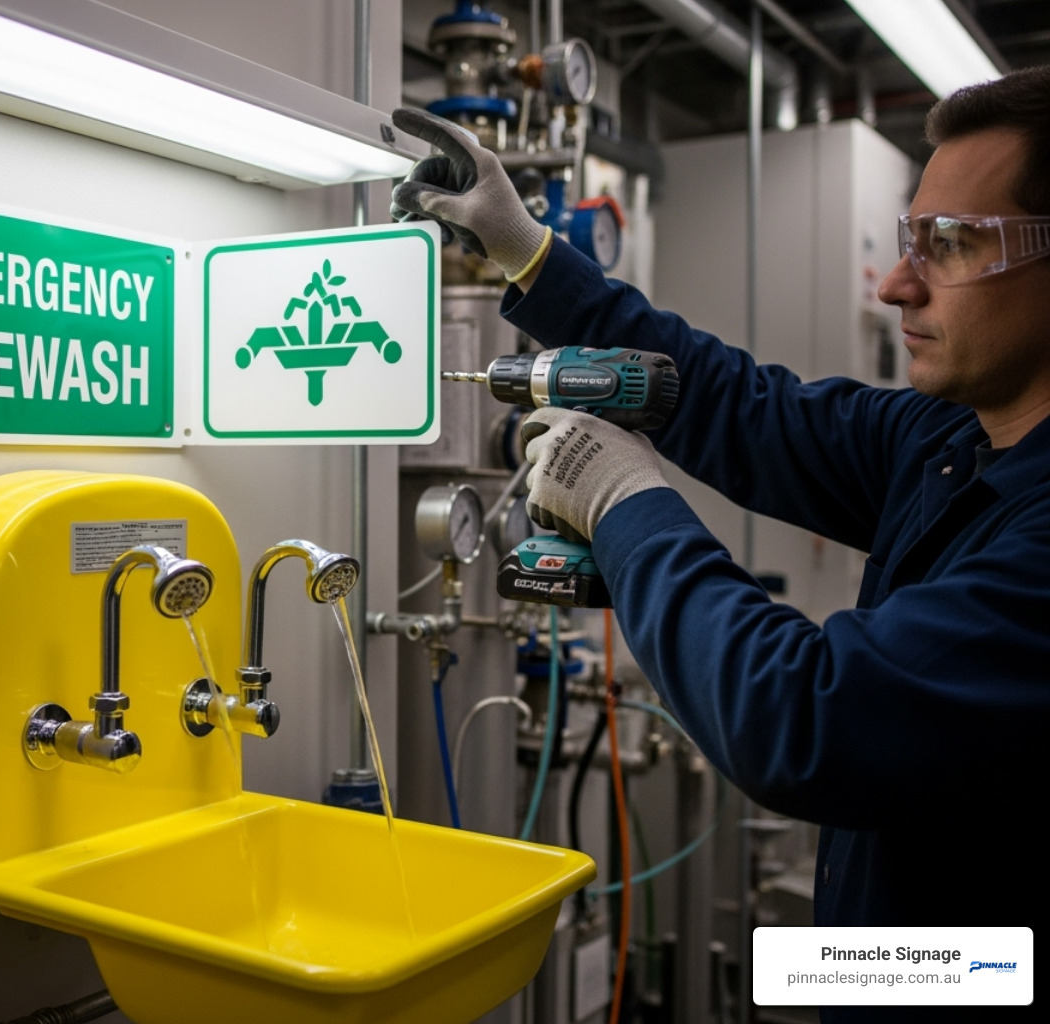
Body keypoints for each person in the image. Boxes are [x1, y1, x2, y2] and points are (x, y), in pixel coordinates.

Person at [390, 66, 1050, 1023]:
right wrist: (530, 255)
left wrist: (622, 503)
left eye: (951, 244)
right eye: (913, 238)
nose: (898, 283)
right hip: (948, 962)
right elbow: (745, 409)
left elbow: (804, 720)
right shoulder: (954, 440)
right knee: (789, 976)